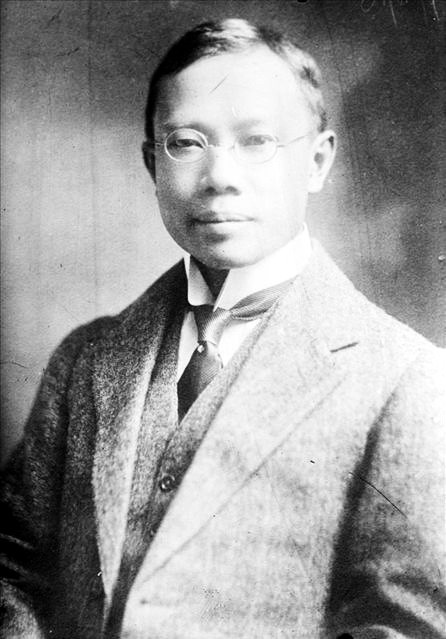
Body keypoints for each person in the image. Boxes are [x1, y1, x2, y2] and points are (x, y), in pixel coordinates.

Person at [1, 17, 445, 639]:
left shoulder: (404, 379)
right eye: (186, 143)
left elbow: (407, 624)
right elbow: (14, 570)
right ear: (152, 164)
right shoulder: (86, 359)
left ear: (317, 162)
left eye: (257, 141)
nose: (220, 177)